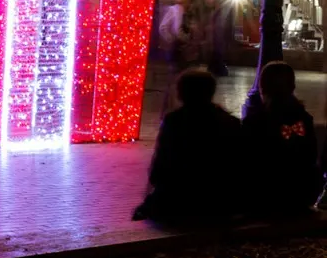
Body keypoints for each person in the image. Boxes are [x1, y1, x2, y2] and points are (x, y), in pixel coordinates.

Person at [133, 68, 242, 224]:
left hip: (178, 200)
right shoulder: (230, 122)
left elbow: (160, 167)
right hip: (219, 200)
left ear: (181, 93)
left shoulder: (174, 122)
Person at [242, 61, 322, 216]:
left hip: (265, 196)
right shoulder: (305, 119)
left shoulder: (255, 122)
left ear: (262, 87)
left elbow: (247, 161)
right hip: (301, 194)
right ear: (292, 87)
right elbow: (311, 155)